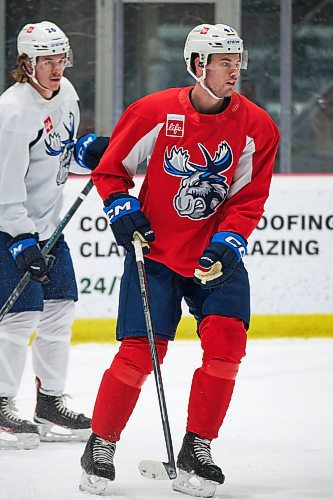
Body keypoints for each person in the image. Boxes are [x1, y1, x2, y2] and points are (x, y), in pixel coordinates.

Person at [79, 23, 280, 497]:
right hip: (154, 253)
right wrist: (120, 206)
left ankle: (198, 445)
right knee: (140, 353)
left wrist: (230, 241)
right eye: (223, 61)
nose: (234, 70)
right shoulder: (154, 112)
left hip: (213, 257)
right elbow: (111, 169)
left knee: (228, 342)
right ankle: (101, 444)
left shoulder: (258, 126)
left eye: (237, 60)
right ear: (197, 66)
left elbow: (249, 198)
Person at [0, 21, 107, 450]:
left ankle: (49, 402)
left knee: (60, 311)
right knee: (19, 319)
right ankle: (2, 401)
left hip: (50, 230)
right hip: (11, 231)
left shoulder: (68, 96)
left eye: (62, 59)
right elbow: (4, 182)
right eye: (47, 60)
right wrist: (22, 239)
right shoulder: (12, 112)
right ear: (27, 64)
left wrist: (87, 151)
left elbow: (59, 152)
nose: (57, 68)